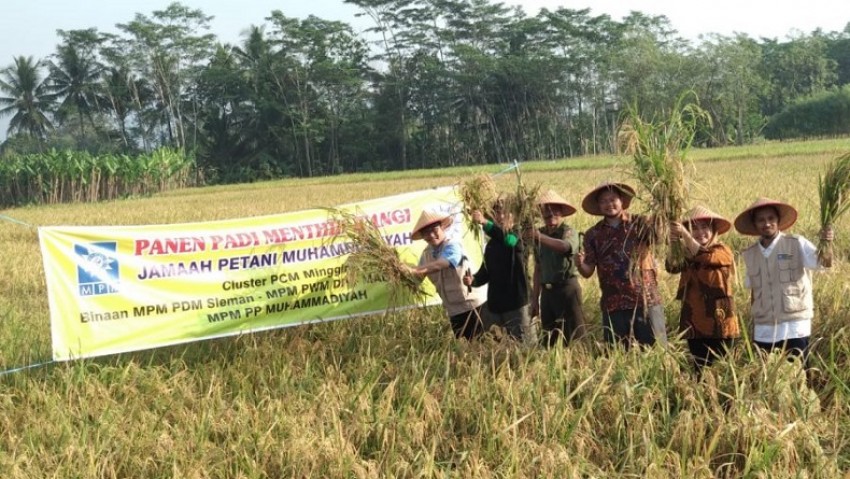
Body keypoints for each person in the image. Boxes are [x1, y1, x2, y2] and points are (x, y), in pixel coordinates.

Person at [734, 197, 833, 362]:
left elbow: (824, 263)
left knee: (798, 376)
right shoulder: (750, 254)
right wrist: (754, 322)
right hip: (764, 328)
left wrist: (827, 242)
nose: (766, 223)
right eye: (761, 220)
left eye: (771, 218)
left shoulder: (796, 243)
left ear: (778, 220)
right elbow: (754, 292)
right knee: (768, 377)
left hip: (794, 325)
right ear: (755, 224)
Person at [577, 182, 666, 348]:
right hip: (613, 304)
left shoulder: (640, 223)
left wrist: (663, 207)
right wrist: (579, 263)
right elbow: (588, 271)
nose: (609, 204)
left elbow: (661, 237)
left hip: (645, 300)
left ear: (622, 200)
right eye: (603, 201)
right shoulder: (592, 234)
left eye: (613, 199)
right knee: (620, 357)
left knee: (656, 352)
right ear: (598, 205)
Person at [667, 206, 740, 371]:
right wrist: (674, 241)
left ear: (713, 230)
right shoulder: (686, 254)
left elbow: (705, 256)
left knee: (723, 367)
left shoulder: (723, 251)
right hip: (694, 321)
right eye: (694, 229)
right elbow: (671, 267)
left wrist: (685, 235)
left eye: (705, 228)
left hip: (720, 321)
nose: (700, 232)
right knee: (699, 368)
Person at [408, 210, 487, 340]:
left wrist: (414, 270)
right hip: (454, 311)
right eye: (426, 232)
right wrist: (400, 271)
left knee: (485, 346)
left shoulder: (453, 245)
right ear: (422, 236)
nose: (432, 235)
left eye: (434, 229)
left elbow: (442, 264)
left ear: (442, 228)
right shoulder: (426, 254)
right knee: (466, 351)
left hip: (475, 306)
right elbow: (417, 279)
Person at [463, 199, 533, 342]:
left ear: (513, 216)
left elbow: (508, 242)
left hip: (517, 304)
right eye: (496, 214)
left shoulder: (519, 235)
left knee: (524, 345)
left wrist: (484, 223)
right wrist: (473, 280)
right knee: (494, 345)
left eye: (504, 213)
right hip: (496, 305)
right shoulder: (491, 245)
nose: (500, 217)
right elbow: (485, 273)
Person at [529, 190, 586, 347]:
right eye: (546, 210)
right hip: (547, 292)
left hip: (567, 290)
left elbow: (564, 247)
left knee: (575, 337)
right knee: (549, 339)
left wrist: (539, 237)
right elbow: (538, 269)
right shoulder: (538, 233)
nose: (550, 214)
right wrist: (535, 300)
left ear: (561, 212)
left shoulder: (568, 232)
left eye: (555, 209)